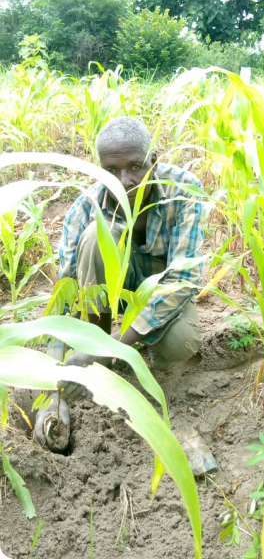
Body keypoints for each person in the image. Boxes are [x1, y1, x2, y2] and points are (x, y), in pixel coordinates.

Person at [34, 116, 204, 448]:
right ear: (98, 168)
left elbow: (183, 279)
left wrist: (106, 349)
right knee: (98, 237)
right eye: (111, 169)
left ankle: (108, 351)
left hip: (158, 297)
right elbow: (65, 299)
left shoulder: (183, 192)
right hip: (108, 300)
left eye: (135, 166)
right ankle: (97, 343)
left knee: (181, 342)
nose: (124, 180)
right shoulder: (86, 208)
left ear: (154, 159)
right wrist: (50, 395)